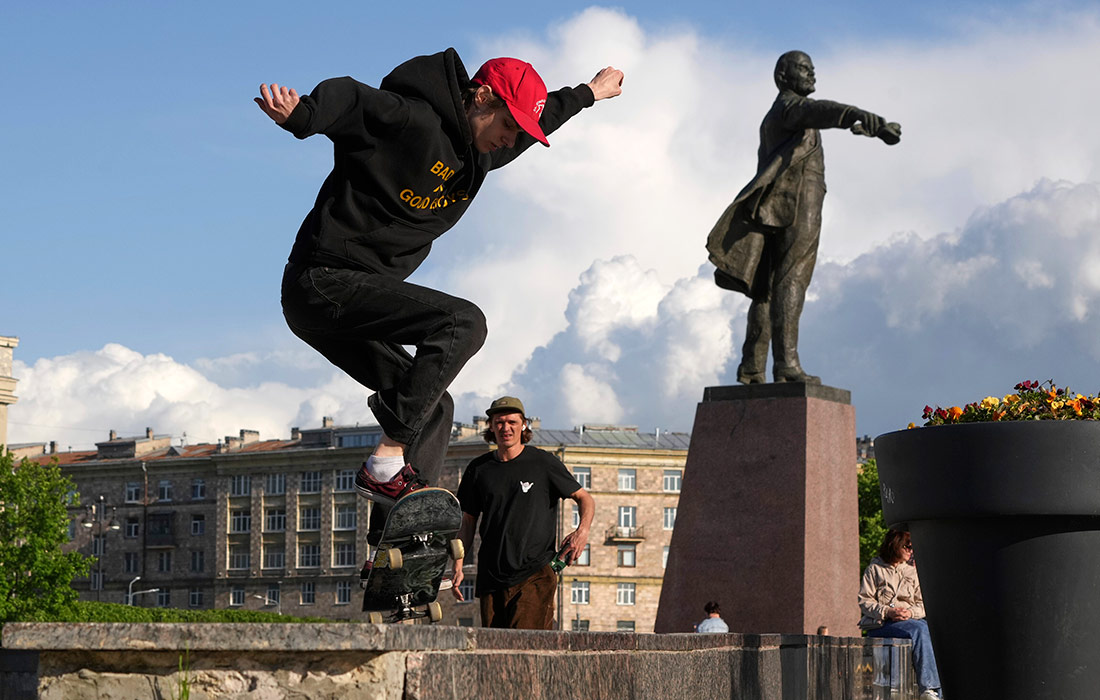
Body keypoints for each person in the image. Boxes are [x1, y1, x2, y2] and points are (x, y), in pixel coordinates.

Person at [255, 50, 623, 537]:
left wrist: (588, 94)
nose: (509, 141)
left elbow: (543, 113)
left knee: (435, 405)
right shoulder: (412, 118)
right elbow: (350, 98)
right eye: (508, 125)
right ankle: (386, 458)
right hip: (321, 280)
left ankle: (393, 543)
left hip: (357, 301)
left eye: (517, 135)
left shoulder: (483, 153)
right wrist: (303, 117)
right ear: (483, 96)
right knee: (462, 322)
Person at [706, 50, 900, 384]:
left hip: (776, 208)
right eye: (803, 69)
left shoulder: (786, 114)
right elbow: (815, 111)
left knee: (767, 288)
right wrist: (852, 112)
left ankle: (753, 368)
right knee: (792, 278)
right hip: (796, 204)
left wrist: (867, 125)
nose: (811, 74)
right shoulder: (787, 107)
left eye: (813, 68)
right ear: (783, 76)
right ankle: (787, 366)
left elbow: (815, 117)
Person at [452, 396, 594, 629]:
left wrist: (582, 531)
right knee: (494, 653)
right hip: (491, 575)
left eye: (512, 422)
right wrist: (457, 564)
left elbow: (585, 499)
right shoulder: (478, 469)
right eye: (499, 422)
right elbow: (467, 521)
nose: (505, 428)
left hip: (534, 573)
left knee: (526, 647)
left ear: (523, 425)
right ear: (491, 426)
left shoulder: (543, 463)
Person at [859, 529, 943, 700]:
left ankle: (935, 691)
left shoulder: (912, 572)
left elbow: (922, 604)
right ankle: (929, 688)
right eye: (907, 546)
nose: (911, 551)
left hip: (909, 622)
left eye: (913, 548)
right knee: (920, 629)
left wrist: (910, 612)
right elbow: (864, 601)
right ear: (895, 545)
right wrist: (888, 611)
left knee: (926, 627)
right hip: (881, 623)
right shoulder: (875, 569)